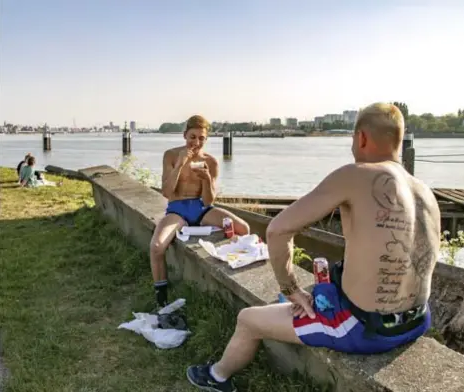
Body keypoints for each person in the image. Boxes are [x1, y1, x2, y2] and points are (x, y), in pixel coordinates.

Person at [186, 103, 441, 392]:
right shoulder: (425, 192)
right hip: (418, 320)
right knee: (314, 296)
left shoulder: (355, 174)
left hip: (368, 329)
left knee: (248, 320)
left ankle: (217, 376)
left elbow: (278, 230)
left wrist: (291, 288)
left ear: (361, 138)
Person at [151, 115, 250, 308]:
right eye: (192, 137)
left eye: (201, 138)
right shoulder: (171, 155)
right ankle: (161, 295)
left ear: (206, 139)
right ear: (184, 135)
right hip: (177, 210)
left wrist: (206, 180)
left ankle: (232, 272)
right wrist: (180, 164)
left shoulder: (210, 162)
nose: (196, 142)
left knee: (243, 228)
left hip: (201, 208)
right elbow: (166, 192)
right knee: (156, 247)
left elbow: (208, 201)